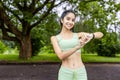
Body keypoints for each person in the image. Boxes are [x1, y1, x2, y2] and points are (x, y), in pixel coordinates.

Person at [51, 10, 103, 80]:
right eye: (68, 19)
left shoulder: (78, 35)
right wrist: (77, 47)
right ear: (62, 20)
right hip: (65, 73)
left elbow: (100, 34)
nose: (70, 22)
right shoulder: (55, 38)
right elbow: (61, 56)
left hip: (80, 72)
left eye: (73, 20)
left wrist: (91, 36)